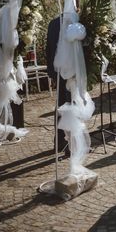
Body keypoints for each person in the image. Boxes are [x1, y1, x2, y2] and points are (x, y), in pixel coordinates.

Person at [46, 14, 70, 155]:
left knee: (61, 106)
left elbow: (48, 50)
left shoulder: (52, 23)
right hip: (71, 73)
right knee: (71, 107)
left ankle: (59, 141)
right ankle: (71, 144)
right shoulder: (77, 22)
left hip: (58, 72)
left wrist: (51, 73)